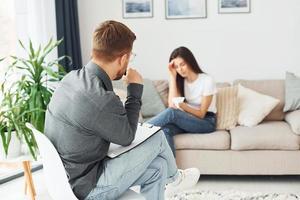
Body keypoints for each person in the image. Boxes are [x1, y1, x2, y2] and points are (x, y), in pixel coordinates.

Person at [44, 21, 200, 200]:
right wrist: (134, 89)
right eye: (130, 56)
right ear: (123, 58)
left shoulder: (71, 79)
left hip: (67, 178)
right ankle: (176, 179)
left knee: (159, 167)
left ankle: (172, 177)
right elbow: (126, 137)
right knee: (157, 137)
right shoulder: (100, 98)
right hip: (87, 188)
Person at [148, 47, 217, 156]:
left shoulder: (207, 80)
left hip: (206, 122)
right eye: (176, 67)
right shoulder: (181, 81)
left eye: (182, 64)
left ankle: (142, 130)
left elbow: (201, 113)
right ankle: (172, 171)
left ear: (190, 61)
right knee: (164, 130)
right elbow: (172, 104)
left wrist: (183, 106)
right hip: (188, 120)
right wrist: (172, 76)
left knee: (172, 113)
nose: (180, 69)